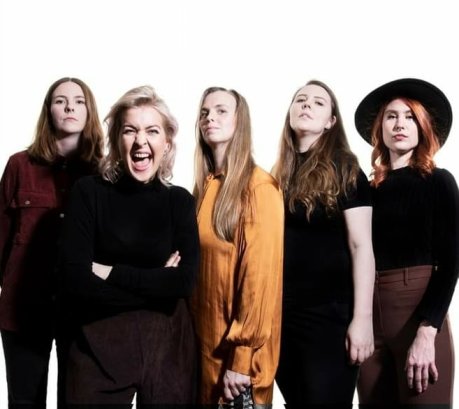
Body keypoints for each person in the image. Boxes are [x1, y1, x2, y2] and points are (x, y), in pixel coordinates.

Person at [59, 85, 199, 407]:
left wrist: (110, 272)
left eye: (152, 131)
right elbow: (76, 280)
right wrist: (158, 285)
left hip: (168, 347)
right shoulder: (88, 193)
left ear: (167, 143)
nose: (140, 141)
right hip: (97, 346)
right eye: (130, 130)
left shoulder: (179, 201)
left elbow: (183, 282)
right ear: (115, 139)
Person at [354, 78, 459, 407]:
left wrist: (428, 332)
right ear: (380, 128)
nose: (400, 124)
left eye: (410, 117)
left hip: (419, 314)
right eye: (391, 116)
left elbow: (452, 262)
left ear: (423, 126)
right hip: (368, 317)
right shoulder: (364, 190)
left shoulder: (438, 181)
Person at [0, 77, 104, 408]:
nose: (70, 106)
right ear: (49, 111)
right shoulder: (19, 165)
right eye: (61, 100)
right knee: (24, 401)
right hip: (24, 309)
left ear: (89, 111)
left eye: (79, 101)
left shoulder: (102, 173)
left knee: (78, 401)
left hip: (81, 310)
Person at [272, 80, 375, 407]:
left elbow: (362, 247)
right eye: (300, 100)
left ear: (331, 121)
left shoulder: (347, 170)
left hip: (329, 317)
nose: (306, 105)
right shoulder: (276, 176)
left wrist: (362, 319)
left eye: (318, 102)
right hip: (283, 317)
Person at [190, 87, 284, 407]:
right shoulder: (204, 187)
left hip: (238, 371)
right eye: (204, 113)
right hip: (203, 360)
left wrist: (242, 359)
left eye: (221, 110)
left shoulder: (259, 188)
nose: (210, 118)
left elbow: (259, 281)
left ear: (239, 121)